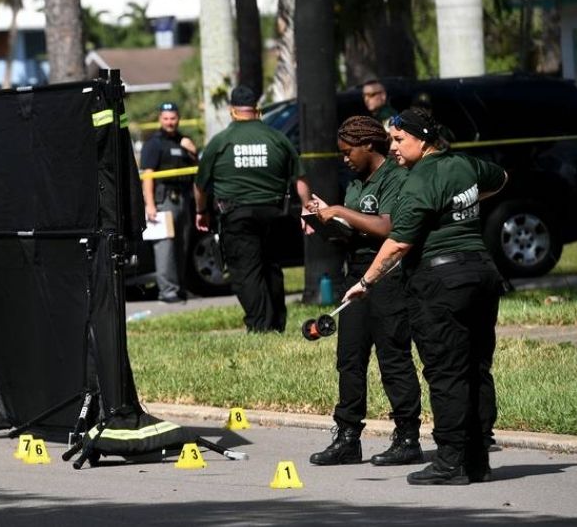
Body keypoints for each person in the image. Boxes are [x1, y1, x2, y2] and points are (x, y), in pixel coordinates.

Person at [342, 102, 507, 485]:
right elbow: (499, 179)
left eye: (400, 139)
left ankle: (450, 462)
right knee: (476, 368)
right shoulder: (463, 165)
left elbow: (398, 244)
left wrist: (365, 282)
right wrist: (460, 205)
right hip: (482, 275)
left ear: (424, 139)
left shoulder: (418, 182)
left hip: (442, 282)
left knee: (447, 371)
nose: (394, 147)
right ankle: (477, 459)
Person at [304, 116, 423, 467]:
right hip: (354, 274)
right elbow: (355, 230)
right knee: (349, 359)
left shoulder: (395, 177)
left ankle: (407, 437)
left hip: (387, 275)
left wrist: (339, 210)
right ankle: (347, 437)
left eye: (347, 152)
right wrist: (324, 220)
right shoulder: (355, 184)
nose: (344, 159)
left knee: (393, 357)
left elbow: (388, 227)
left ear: (368, 145)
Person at [195, 85, 311, 333]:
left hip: (237, 215)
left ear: (232, 110)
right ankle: (276, 323)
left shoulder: (221, 141)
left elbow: (200, 185)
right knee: (271, 267)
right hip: (274, 213)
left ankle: (260, 326)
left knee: (246, 272)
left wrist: (201, 211)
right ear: (257, 109)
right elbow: (300, 178)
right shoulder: (277, 138)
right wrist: (307, 210)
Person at [141, 101, 198, 303]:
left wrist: (193, 151)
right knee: (165, 247)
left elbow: (197, 168)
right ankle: (167, 291)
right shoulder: (154, 144)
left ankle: (180, 288)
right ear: (160, 119)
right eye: (166, 118)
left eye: (173, 118)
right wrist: (149, 204)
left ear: (178, 119)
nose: (169, 122)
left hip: (183, 198)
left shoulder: (183, 141)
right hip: (164, 200)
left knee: (182, 245)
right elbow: (148, 175)